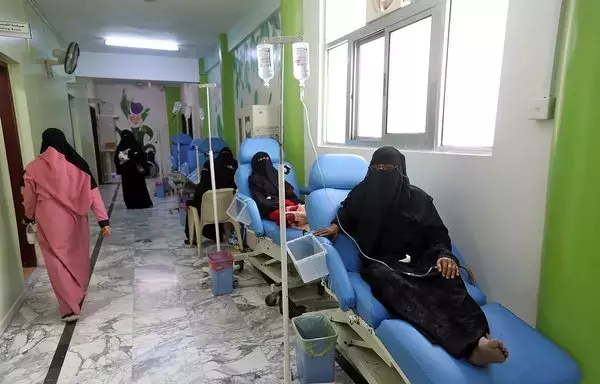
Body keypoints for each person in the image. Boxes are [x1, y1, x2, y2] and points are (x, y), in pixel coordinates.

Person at [313, 147, 509, 366]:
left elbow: (438, 234)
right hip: (381, 262)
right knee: (394, 285)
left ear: (402, 171)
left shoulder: (419, 199)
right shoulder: (362, 193)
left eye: (389, 169)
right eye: (377, 168)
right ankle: (467, 347)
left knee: (447, 278)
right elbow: (346, 212)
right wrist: (335, 226)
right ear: (370, 171)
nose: (382, 173)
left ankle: (480, 339)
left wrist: (444, 255)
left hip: (421, 260)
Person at [22, 128, 111, 322]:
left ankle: (69, 308)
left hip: (47, 220)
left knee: (56, 261)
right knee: (76, 255)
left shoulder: (32, 168)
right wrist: (103, 220)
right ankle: (77, 293)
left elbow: (29, 199)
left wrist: (28, 217)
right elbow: (93, 193)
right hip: (75, 220)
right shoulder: (78, 164)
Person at [184, 147, 238, 245]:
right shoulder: (236, 166)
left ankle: (192, 238)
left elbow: (200, 190)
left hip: (210, 212)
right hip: (229, 210)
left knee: (192, 205)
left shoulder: (210, 164)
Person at [248, 152, 307, 229]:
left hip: (287, 203)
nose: (265, 163)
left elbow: (289, 191)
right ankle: (296, 217)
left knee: (306, 208)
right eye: (261, 160)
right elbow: (261, 201)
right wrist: (278, 204)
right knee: (287, 215)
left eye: (266, 159)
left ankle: (303, 215)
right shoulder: (255, 180)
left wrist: (292, 200)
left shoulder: (275, 173)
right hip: (271, 208)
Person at [114, 130, 153, 209]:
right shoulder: (136, 145)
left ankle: (131, 204)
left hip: (127, 174)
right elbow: (142, 158)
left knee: (128, 190)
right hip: (137, 173)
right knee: (140, 188)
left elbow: (116, 160)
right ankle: (143, 203)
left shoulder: (121, 147)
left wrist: (121, 166)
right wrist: (133, 155)